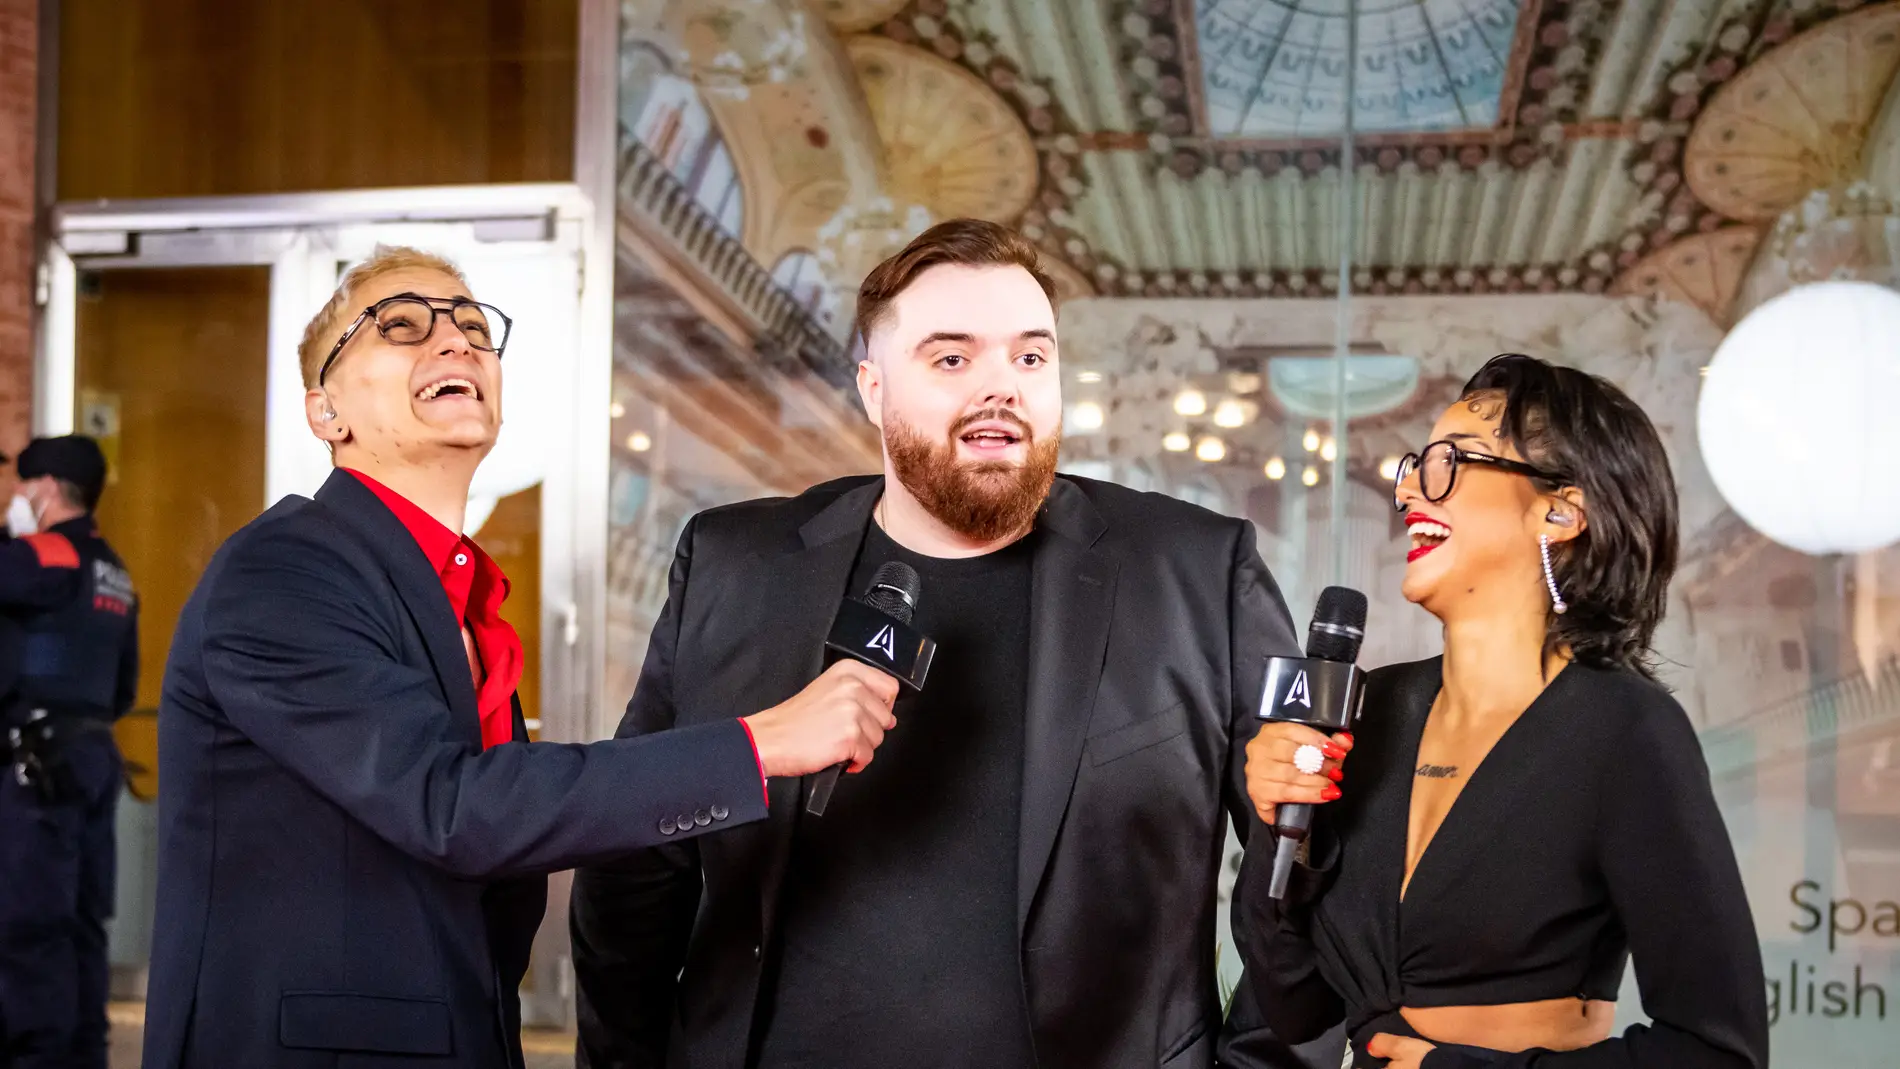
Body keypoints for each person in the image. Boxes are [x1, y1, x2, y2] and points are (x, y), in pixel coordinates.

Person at [569, 219, 1327, 1069]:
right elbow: (637, 863)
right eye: (952, 358)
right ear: (871, 387)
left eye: (1030, 358)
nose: (1000, 387)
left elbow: (1298, 861)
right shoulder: (732, 566)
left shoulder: (1197, 572)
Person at [143, 247, 897, 1069]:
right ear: (326, 413)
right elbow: (452, 807)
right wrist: (758, 745)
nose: (457, 342)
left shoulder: (458, 597)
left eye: (473, 326)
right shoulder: (284, 570)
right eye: (400, 326)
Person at [1237, 354, 1769, 1068]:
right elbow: (1294, 1002)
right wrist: (1281, 827)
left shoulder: (1624, 730)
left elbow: (1718, 1053)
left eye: (1450, 463)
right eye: (1416, 466)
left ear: (1559, 509)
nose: (1410, 494)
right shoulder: (1374, 709)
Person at [0, 436, 138, 1069]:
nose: (17, 499)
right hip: (91, 759)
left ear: (47, 490)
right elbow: (122, 687)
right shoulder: (116, 571)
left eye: (24, 487)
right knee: (82, 928)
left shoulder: (45, 553)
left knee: (28, 929)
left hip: (36, 770)